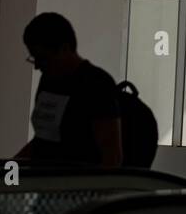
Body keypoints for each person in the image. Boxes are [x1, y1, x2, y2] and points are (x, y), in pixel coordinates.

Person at [15, 13, 123, 168]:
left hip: (77, 188)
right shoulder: (48, 79)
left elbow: (112, 158)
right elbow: (42, 141)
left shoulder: (97, 84)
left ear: (64, 49)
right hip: (50, 186)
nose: (37, 66)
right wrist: (6, 171)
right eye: (34, 58)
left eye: (42, 58)